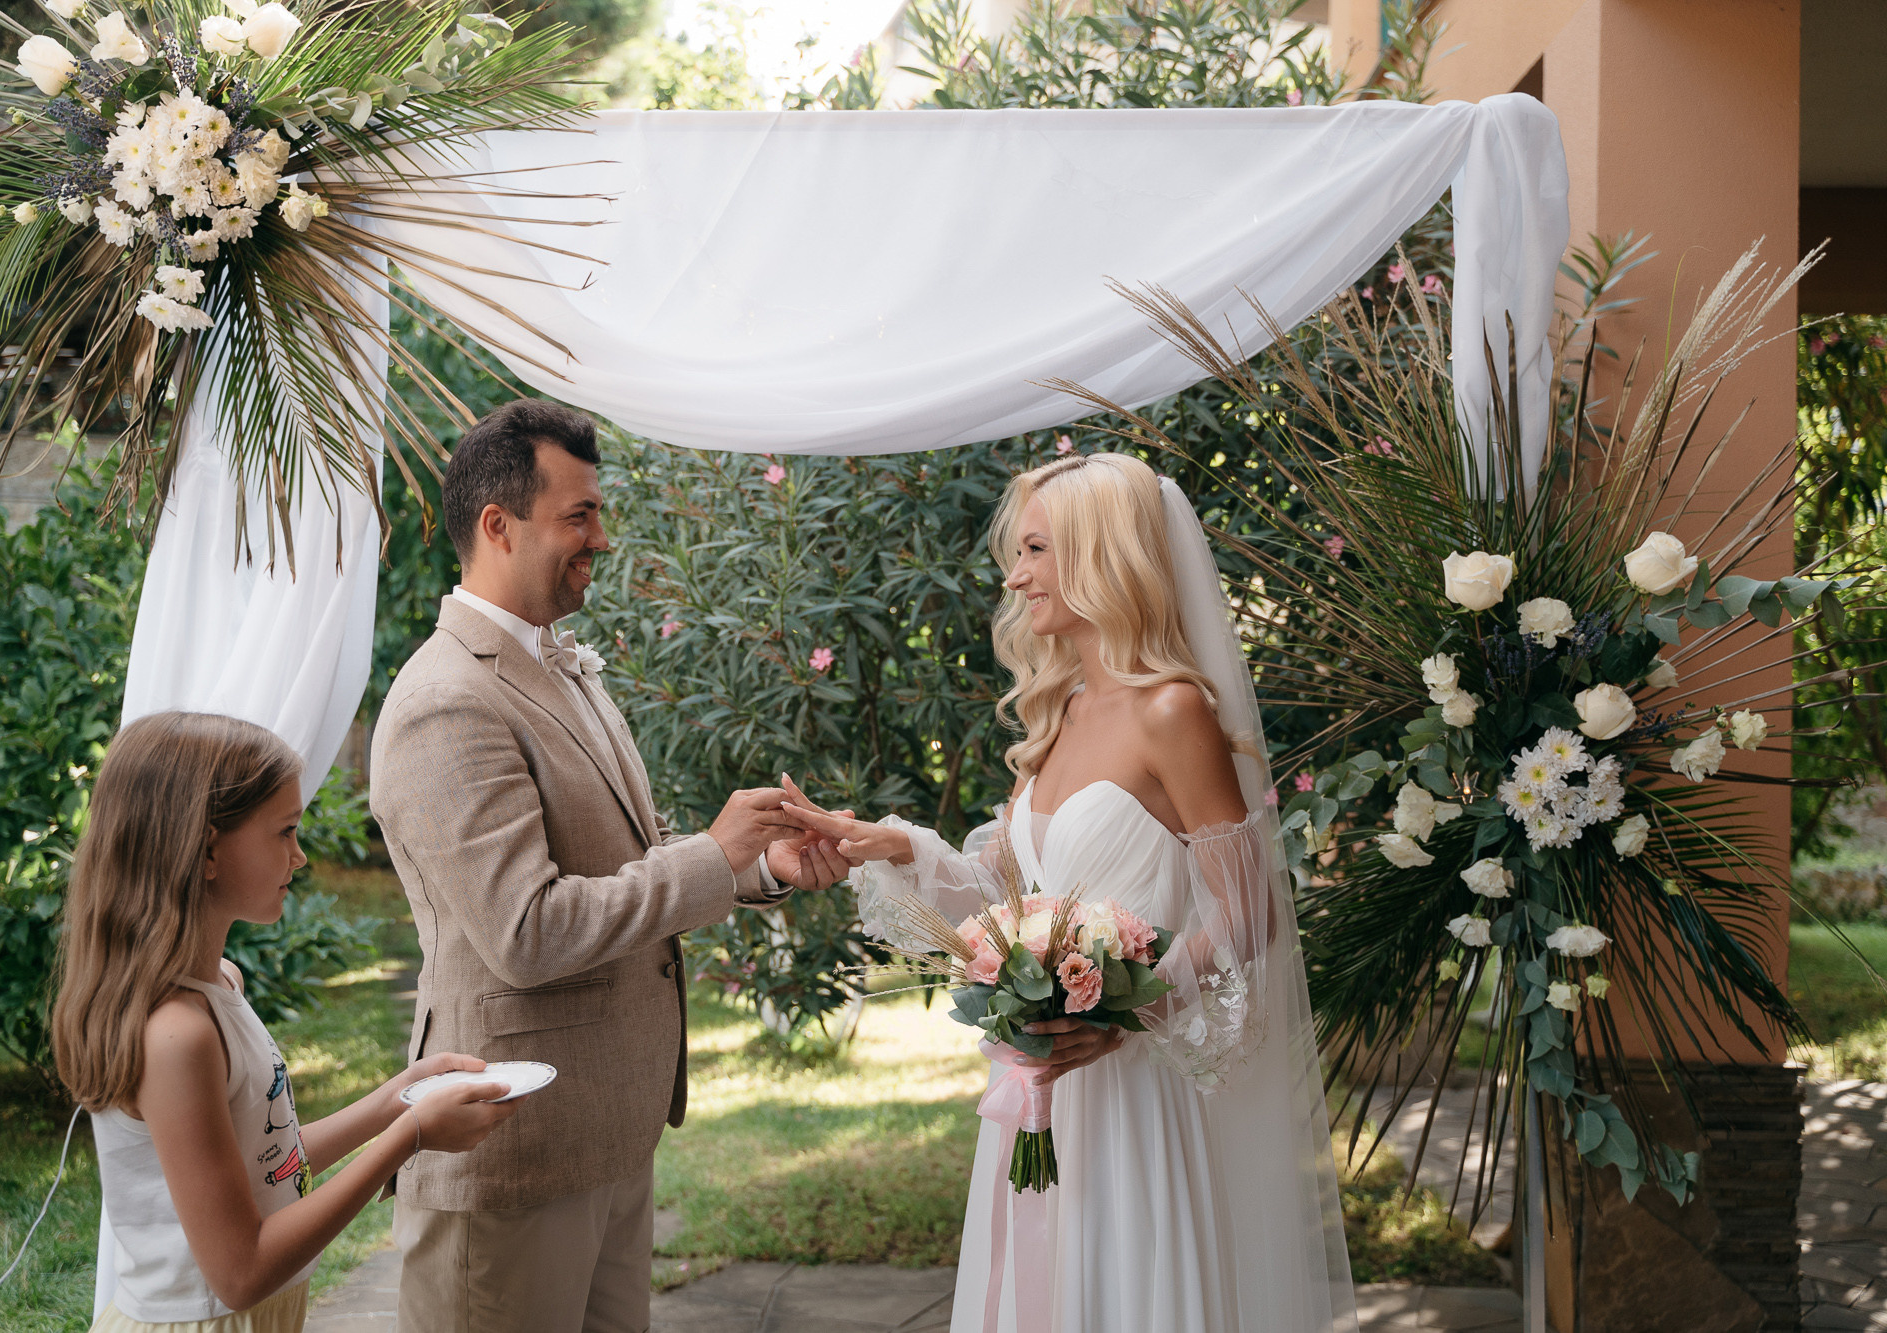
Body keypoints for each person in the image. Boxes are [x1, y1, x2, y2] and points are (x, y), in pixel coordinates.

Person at [783, 452, 1359, 1332]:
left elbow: (1250, 911)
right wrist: (894, 843)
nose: (1016, 576)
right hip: (1038, 1093)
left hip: (1130, 1093)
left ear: (1101, 551)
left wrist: (1130, 1008)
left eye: (1036, 549)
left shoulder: (1173, 711)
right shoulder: (1062, 710)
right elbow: (1015, 893)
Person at [368, 399, 849, 1333]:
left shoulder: (562, 666)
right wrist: (711, 854)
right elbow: (528, 930)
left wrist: (758, 867)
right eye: (578, 516)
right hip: (515, 1149)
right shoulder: (446, 700)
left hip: (607, 1135)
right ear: (497, 526)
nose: (602, 538)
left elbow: (619, 864)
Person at [52, 710, 520, 1333]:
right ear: (208, 848)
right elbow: (240, 1272)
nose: (299, 857)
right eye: (284, 832)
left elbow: (271, 1159)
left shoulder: (219, 982)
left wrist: (399, 1098)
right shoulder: (176, 1034)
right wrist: (407, 1138)